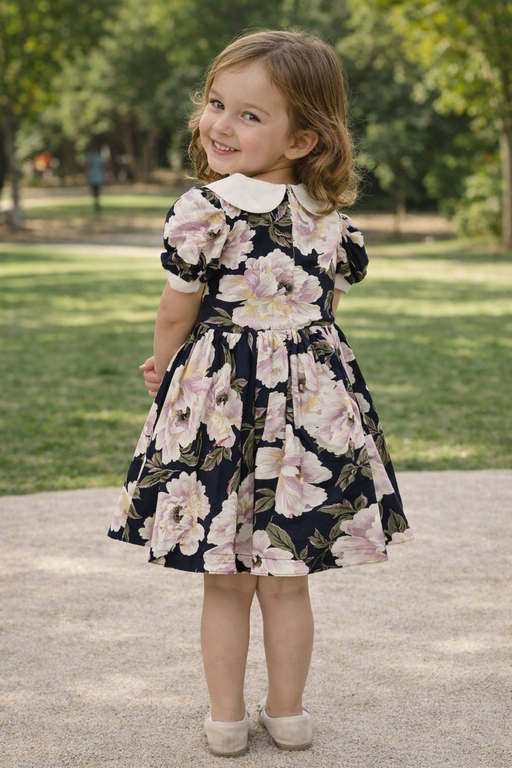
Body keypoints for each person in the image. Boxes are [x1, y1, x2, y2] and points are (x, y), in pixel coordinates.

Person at [106, 29, 414, 758]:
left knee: (225, 579)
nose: (219, 124)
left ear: (303, 138)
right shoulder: (331, 222)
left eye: (249, 115)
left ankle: (226, 721)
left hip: (221, 406)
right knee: (287, 575)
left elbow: (175, 311)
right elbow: (323, 316)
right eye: (217, 103)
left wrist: (167, 373)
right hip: (309, 413)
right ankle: (288, 715)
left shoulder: (205, 208)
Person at [85, 143, 105, 213]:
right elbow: (86, 167)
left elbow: (103, 166)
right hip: (92, 177)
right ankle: (96, 205)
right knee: (93, 192)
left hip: (98, 177)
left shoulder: (98, 157)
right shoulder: (89, 157)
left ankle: (97, 205)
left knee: (97, 192)